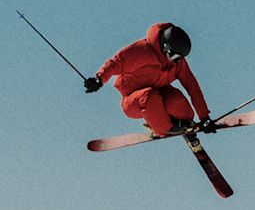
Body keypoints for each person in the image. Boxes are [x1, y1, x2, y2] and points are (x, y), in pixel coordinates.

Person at [84, 22, 217, 137]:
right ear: (166, 49)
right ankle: (163, 128)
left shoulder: (178, 63)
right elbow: (116, 63)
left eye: (181, 58)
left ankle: (182, 123)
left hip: (160, 91)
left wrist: (204, 117)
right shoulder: (142, 51)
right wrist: (99, 79)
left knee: (179, 104)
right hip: (133, 100)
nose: (178, 61)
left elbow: (192, 87)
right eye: (176, 57)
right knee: (149, 97)